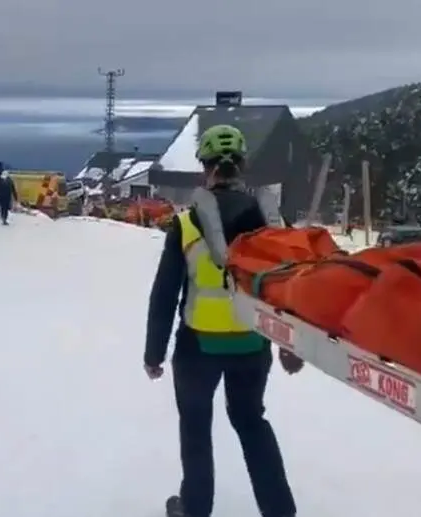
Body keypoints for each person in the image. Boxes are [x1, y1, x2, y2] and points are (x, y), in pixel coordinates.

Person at [143, 125, 301, 517]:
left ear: (205, 168)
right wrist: (292, 343)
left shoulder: (187, 223)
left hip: (198, 347)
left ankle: (195, 509)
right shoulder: (268, 222)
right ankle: (280, 511)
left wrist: (153, 353)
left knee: (196, 428)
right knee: (251, 421)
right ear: (242, 166)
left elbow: (165, 293)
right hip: (252, 342)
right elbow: (291, 284)